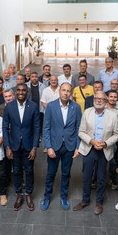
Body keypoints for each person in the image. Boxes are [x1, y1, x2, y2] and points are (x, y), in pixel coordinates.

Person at [73, 91, 118, 215]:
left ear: (106, 101)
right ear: (94, 100)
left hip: (104, 150)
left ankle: (99, 202)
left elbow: (117, 134)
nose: (99, 100)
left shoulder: (113, 116)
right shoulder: (87, 112)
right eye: (97, 98)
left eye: (102, 99)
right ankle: (85, 200)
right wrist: (92, 141)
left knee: (101, 178)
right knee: (86, 176)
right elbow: (81, 131)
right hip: (89, 149)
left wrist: (105, 144)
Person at [40, 83, 82, 211]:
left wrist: (77, 147)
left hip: (69, 147)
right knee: (50, 173)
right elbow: (46, 128)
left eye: (68, 91)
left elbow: (79, 128)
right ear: (59, 91)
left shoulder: (76, 107)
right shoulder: (51, 106)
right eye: (63, 90)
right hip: (54, 146)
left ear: (71, 93)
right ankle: (47, 197)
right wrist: (48, 146)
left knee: (66, 173)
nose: (65, 93)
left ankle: (64, 197)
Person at [2, 83, 40, 211]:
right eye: (18, 90)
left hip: (29, 146)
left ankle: (28, 194)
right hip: (14, 145)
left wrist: (35, 147)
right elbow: (5, 127)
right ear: (15, 92)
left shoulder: (33, 106)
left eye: (23, 90)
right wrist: (7, 146)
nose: (21, 92)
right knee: (17, 171)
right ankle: (19, 194)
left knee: (29, 171)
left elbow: (36, 128)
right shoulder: (9, 107)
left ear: (27, 92)